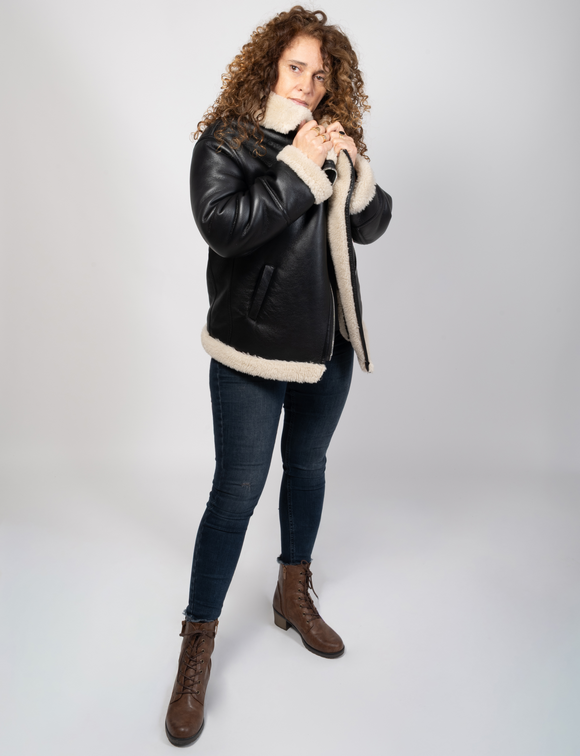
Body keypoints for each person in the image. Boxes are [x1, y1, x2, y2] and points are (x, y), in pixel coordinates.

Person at [165, 6, 392, 747]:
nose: (308, 84)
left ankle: (293, 593)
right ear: (270, 65)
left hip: (327, 345)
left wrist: (351, 166)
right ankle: (197, 646)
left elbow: (372, 225)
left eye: (321, 75)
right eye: (297, 67)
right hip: (253, 348)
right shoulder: (226, 140)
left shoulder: (326, 138)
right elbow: (226, 227)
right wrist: (299, 166)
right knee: (236, 492)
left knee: (309, 467)